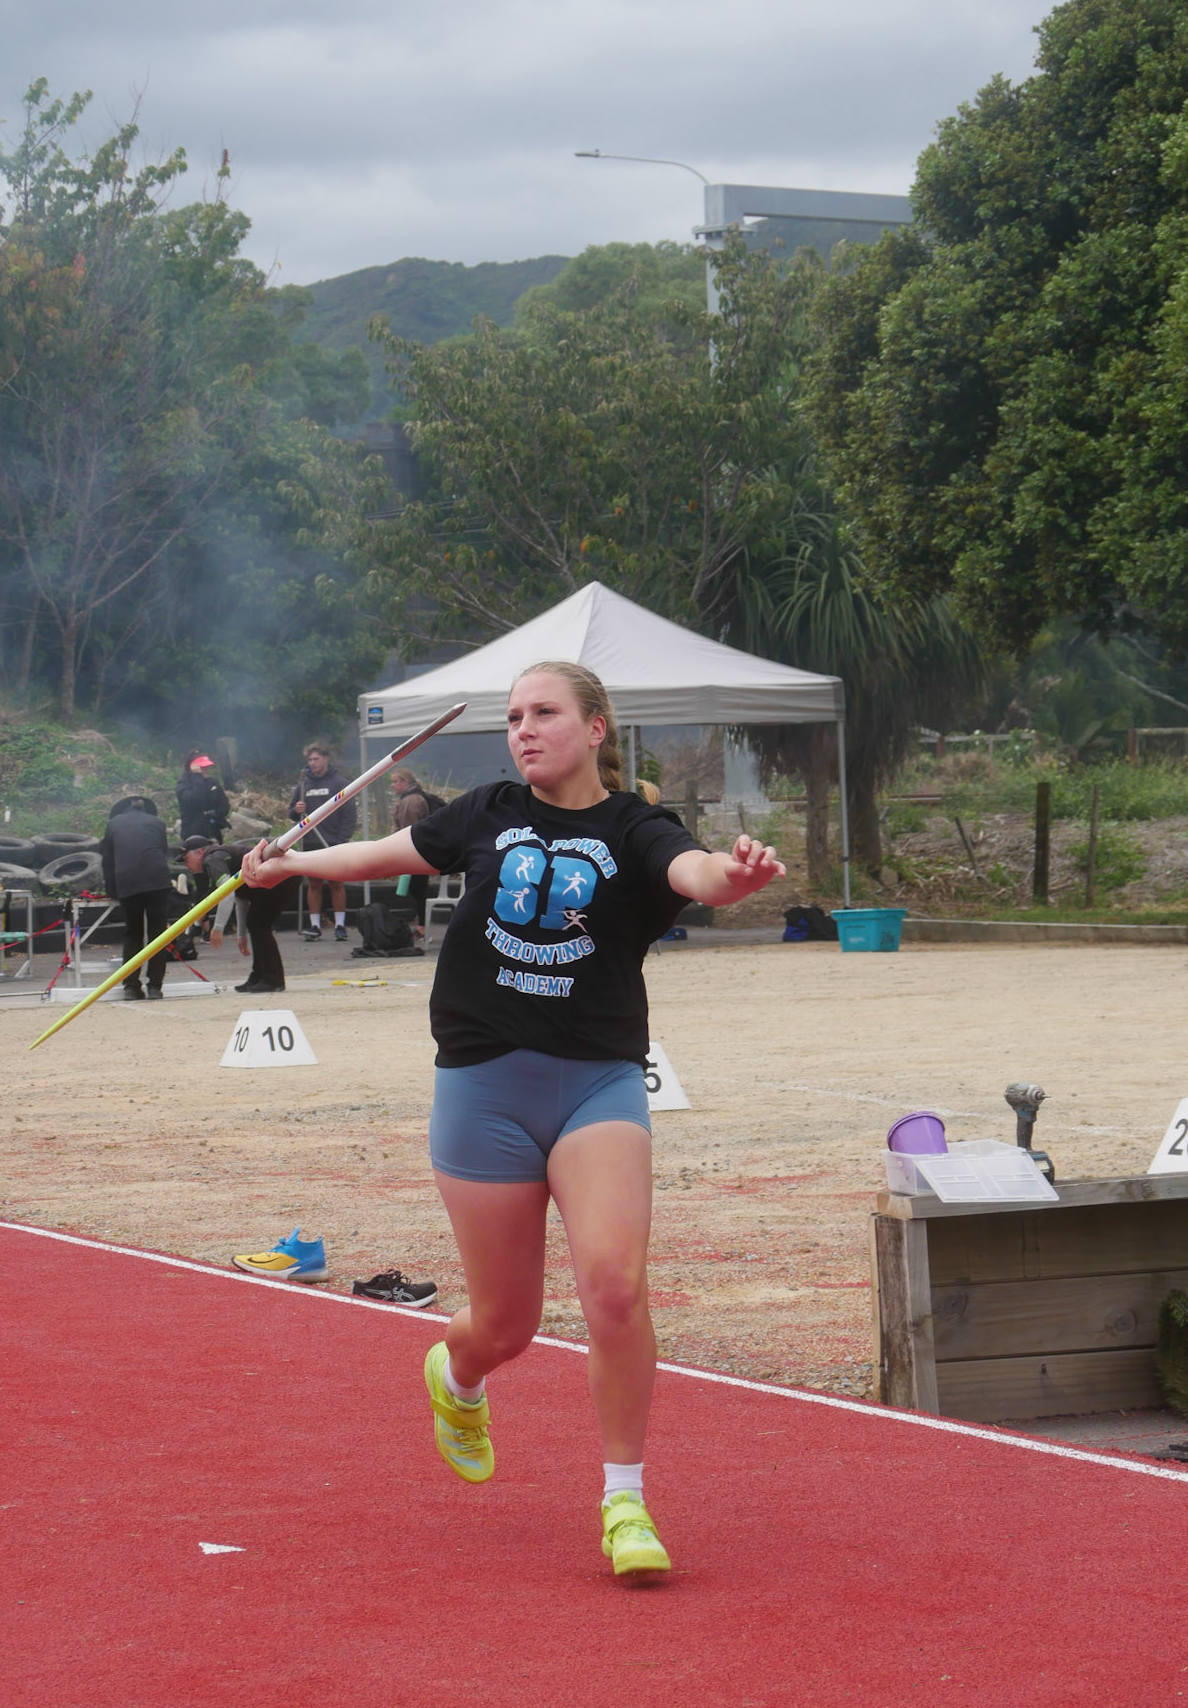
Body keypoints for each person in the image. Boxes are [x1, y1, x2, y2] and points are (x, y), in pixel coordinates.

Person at [242, 660, 784, 1578]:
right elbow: (385, 854)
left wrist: (737, 875)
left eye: (543, 713)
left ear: (596, 728)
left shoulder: (635, 827)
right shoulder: (488, 810)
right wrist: (290, 863)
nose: (522, 730)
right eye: (513, 717)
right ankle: (455, 1375)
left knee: (614, 1286)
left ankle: (624, 1502)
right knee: (505, 1326)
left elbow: (695, 873)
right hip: (483, 1087)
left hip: (597, 1084)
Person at [180, 836, 290, 994]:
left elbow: (227, 894)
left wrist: (218, 929)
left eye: (186, 859)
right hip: (278, 873)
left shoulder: (212, 859)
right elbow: (241, 898)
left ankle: (273, 979)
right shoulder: (218, 857)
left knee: (259, 923)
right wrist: (241, 935)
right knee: (256, 923)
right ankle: (259, 976)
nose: (186, 865)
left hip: (280, 873)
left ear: (199, 852)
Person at [101, 795, 172, 1000]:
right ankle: (155, 987)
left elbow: (108, 861)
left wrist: (112, 891)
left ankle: (131, 987)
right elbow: (162, 852)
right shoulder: (158, 823)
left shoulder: (113, 824)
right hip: (158, 881)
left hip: (128, 881)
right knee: (158, 934)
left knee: (133, 933)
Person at [288, 741, 356, 942]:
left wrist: (342, 839)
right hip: (310, 841)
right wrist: (296, 810)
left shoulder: (339, 783)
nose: (312, 763)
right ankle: (315, 925)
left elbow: (349, 813)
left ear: (326, 759)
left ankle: (340, 925)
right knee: (314, 884)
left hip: (333, 841)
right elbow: (292, 813)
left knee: (336, 883)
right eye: (310, 760)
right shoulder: (303, 785)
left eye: (316, 759)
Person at [390, 767, 439, 933]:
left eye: (395, 781)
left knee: (417, 889)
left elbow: (408, 829)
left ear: (405, 782)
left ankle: (421, 927)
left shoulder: (411, 801)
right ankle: (421, 925)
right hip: (418, 851)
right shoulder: (412, 798)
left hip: (415, 853)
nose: (392, 785)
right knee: (416, 889)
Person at [176, 753, 231, 844]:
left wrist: (216, 813)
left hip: (213, 831)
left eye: (207, 767)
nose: (206, 770)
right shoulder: (183, 785)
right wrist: (197, 776)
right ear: (193, 768)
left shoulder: (213, 782)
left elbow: (225, 805)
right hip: (193, 833)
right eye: (202, 767)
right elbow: (197, 800)